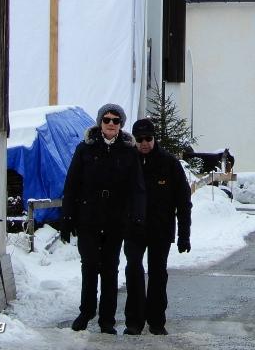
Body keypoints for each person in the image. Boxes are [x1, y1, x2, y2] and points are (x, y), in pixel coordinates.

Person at [61, 104, 145, 334]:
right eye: (106, 119)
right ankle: (86, 311)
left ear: (120, 124)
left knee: (110, 268)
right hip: (89, 217)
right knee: (89, 265)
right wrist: (67, 217)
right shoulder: (85, 149)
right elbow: (72, 185)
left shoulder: (128, 152)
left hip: (115, 219)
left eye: (115, 120)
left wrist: (137, 216)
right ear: (100, 122)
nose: (110, 124)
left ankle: (107, 319)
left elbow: (137, 188)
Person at [123, 118, 192, 336]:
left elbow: (183, 202)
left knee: (158, 273)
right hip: (133, 228)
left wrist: (184, 235)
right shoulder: (128, 161)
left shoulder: (169, 163)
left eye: (148, 138)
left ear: (154, 138)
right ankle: (134, 321)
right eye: (139, 139)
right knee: (133, 270)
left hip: (160, 228)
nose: (144, 143)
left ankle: (156, 320)